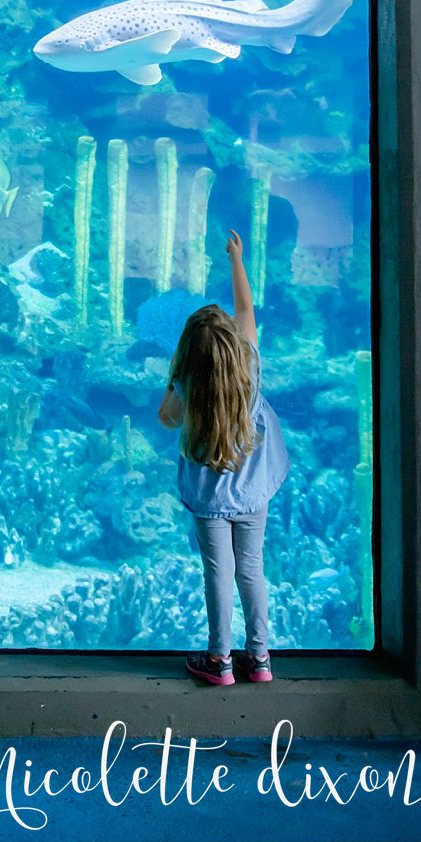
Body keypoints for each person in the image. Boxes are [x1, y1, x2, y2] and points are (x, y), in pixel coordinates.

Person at [157, 228, 290, 686]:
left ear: (188, 356)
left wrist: (175, 377)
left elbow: (166, 419)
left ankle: (219, 659)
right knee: (251, 567)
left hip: (210, 498)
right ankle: (260, 658)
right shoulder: (248, 362)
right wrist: (236, 260)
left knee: (218, 570)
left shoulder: (188, 385)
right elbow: (246, 310)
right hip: (253, 490)